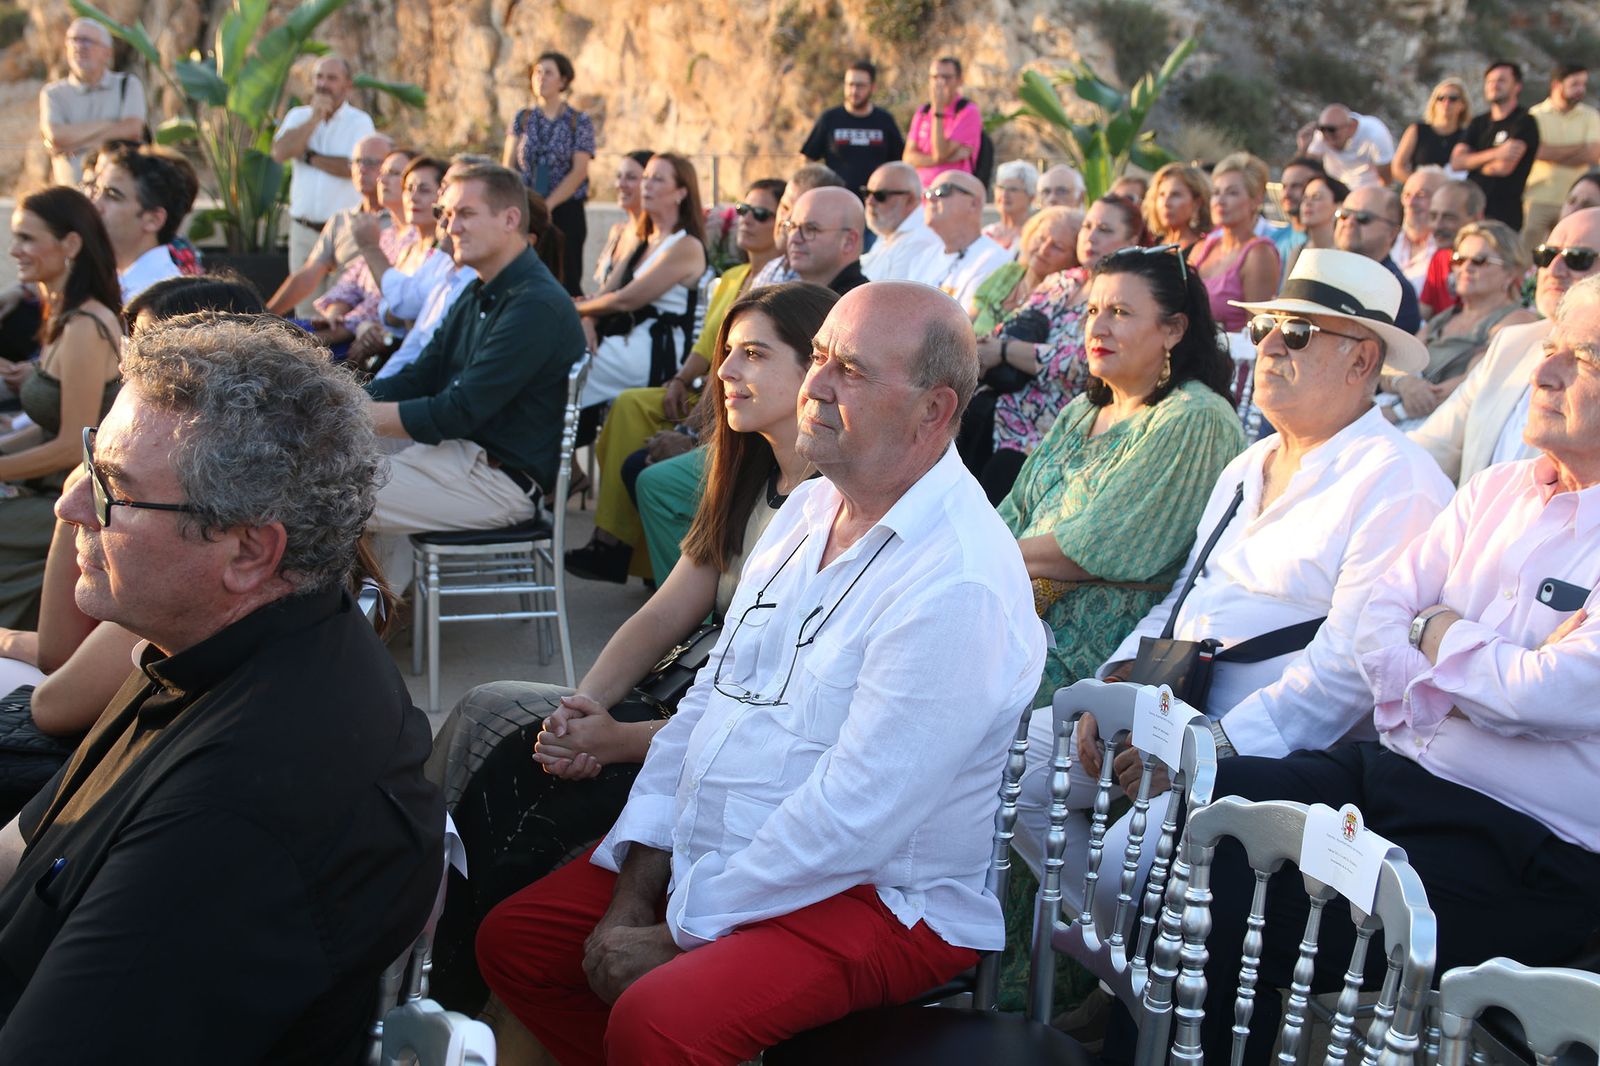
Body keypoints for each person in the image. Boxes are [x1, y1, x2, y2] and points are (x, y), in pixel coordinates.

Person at [475, 281, 1045, 1065]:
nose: (814, 387)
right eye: (818, 359)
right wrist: (638, 887)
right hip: (740, 851)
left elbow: (856, 820)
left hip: (880, 899)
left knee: (659, 1020)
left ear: (935, 411)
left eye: (851, 371)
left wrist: (681, 928)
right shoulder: (809, 513)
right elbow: (709, 713)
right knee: (515, 944)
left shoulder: (959, 583)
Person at [1184, 272, 1600, 1066]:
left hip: (1523, 843)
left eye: (1585, 359)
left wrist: (1437, 633)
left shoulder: (1411, 479)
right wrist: (1467, 654)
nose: (1545, 373)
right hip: (1390, 774)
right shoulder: (1495, 490)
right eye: (1550, 348)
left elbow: (1545, 695)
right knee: (1207, 815)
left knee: (1264, 908)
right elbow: (1381, 629)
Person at [0, 314, 441, 1062]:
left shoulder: (237, 815)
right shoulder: (203, 648)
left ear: (246, 551)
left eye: (112, 490)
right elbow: (25, 849)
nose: (70, 508)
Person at [423, 283, 838, 1035]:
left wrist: (610, 738)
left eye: (754, 355)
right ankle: (439, 992)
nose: (727, 373)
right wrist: (579, 710)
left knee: (523, 793)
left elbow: (783, 713)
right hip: (677, 708)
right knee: (501, 724)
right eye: (726, 355)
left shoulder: (836, 502)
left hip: (722, 748)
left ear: (817, 367)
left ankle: (467, 1010)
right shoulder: (746, 473)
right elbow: (659, 615)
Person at [1015, 249, 1453, 915]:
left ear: (1363, 361)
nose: (1271, 345)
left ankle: (1127, 960)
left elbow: (1347, 671)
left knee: (1115, 874)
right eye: (1266, 327)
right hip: (1170, 701)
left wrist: (1205, 748)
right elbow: (1182, 593)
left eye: (1298, 333)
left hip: (1268, 748)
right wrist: (1115, 684)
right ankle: (1114, 955)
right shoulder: (1251, 462)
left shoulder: (1399, 481)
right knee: (1007, 771)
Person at [0, 275, 267, 820]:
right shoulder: (264, 505)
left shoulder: (179, 550)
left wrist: (94, 482)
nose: (129, 374)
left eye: (149, 357)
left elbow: (55, 693)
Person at [999, 244, 1246, 706]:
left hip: (1087, 649)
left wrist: (978, 557)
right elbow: (1015, 511)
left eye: (1120, 312)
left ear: (1172, 330)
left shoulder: (1194, 418)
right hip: (1015, 610)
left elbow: (1091, 548)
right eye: (1093, 309)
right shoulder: (1083, 409)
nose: (1098, 326)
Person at [364, 164, 585, 589]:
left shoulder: (534, 305)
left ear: (510, 219)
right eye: (447, 215)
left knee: (327, 489)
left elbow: (456, 413)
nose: (450, 227)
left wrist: (351, 413)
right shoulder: (480, 289)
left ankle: (351, 633)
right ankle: (373, 622)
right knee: (328, 459)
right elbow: (420, 376)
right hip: (462, 459)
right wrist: (343, 399)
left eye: (465, 214)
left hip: (501, 482)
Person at [566, 178, 785, 585]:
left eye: (761, 213)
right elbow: (707, 345)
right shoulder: (734, 275)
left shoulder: (780, 287)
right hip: (705, 385)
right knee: (630, 404)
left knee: (641, 452)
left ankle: (645, 563)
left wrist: (691, 425)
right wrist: (680, 380)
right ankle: (612, 541)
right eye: (742, 210)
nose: (747, 220)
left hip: (727, 392)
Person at [0, 188, 122, 630]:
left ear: (70, 244)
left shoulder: (86, 328)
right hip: (51, 490)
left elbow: (73, 444)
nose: (15, 250)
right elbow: (46, 424)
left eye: (27, 239)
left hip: (75, 503)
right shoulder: (66, 317)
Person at [961, 198, 1139, 502]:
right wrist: (991, 346)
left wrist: (1005, 351)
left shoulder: (1123, 294)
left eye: (1105, 230)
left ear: (1131, 241)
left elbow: (1080, 363)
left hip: (1048, 432)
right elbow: (1008, 329)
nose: (1091, 237)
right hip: (997, 412)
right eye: (1087, 226)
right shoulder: (1061, 281)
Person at [1411, 207, 1600, 483]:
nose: (1553, 270)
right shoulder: (1513, 343)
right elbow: (1434, 444)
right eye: (1546, 255)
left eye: (1578, 259)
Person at [576, 153, 708, 408]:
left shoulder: (686, 245)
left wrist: (572, 308)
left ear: (681, 192)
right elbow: (607, 292)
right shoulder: (644, 239)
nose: (646, 185)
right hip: (623, 339)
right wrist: (589, 319)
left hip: (654, 351)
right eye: (645, 177)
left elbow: (626, 300)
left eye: (657, 179)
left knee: (564, 364)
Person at [1383, 220, 1534, 428]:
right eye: (1459, 259)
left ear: (1510, 273)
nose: (1465, 268)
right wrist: (1405, 383)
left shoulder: (1516, 320)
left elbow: (1475, 383)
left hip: (1444, 428)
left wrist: (1398, 410)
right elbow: (1391, 365)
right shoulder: (1445, 317)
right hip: (1403, 417)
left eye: (1479, 261)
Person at [270, 57, 376, 311]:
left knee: (340, 311)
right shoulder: (299, 116)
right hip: (304, 232)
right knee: (305, 313)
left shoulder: (360, 122)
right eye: (319, 77)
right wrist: (314, 119)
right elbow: (280, 152)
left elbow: (351, 169)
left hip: (344, 233)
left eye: (331, 78)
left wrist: (308, 155)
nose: (323, 84)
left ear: (347, 86)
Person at [266, 132, 394, 316]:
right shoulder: (342, 220)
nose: (361, 169)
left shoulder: (403, 222)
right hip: (336, 317)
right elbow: (308, 275)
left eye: (371, 162)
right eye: (356, 162)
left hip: (377, 322)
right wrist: (264, 314)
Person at [341, 153, 447, 369]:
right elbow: (388, 307)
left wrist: (370, 247)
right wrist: (368, 329)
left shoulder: (443, 253)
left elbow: (410, 309)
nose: (413, 197)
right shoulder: (408, 249)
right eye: (408, 189)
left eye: (424, 190)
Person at [503, 51, 595, 296]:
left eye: (548, 72)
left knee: (567, 277)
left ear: (563, 81)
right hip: (526, 208)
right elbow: (509, 165)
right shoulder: (522, 119)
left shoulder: (579, 121)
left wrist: (549, 205)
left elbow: (579, 171)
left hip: (565, 210)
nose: (541, 78)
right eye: (537, 72)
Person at [310, 146, 416, 352]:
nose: (382, 180)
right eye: (383, 173)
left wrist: (340, 327)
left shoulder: (416, 240)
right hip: (342, 329)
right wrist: (334, 314)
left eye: (394, 174)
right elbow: (349, 285)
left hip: (369, 342)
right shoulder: (387, 236)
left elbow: (385, 303)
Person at [84, 143, 201, 302]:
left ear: (153, 220)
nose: (95, 205)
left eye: (112, 195)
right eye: (96, 191)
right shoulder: (115, 282)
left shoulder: (162, 298)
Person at [39, 18, 147, 187]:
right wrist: (110, 125)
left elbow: (132, 130)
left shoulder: (128, 85)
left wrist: (80, 145)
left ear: (107, 52)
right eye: (74, 39)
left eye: (87, 40)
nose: (79, 46)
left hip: (119, 193)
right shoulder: (53, 93)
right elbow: (56, 136)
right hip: (72, 193)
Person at [1190, 152, 1280, 333]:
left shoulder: (1259, 254)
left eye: (1232, 193)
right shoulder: (1202, 249)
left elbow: (1257, 331)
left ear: (1256, 200)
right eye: (1216, 193)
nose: (1220, 201)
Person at [1451, 60, 1542, 231]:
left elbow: (1503, 168)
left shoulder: (1524, 122)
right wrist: (1497, 152)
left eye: (1501, 80)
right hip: (1469, 212)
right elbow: (1456, 162)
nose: (1494, 85)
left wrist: (1472, 163)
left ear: (1517, 86)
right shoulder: (1478, 123)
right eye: (1490, 81)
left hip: (1503, 216)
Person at [800, 60, 905, 197]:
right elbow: (807, 158)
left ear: (873, 87)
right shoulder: (830, 118)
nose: (854, 91)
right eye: (850, 85)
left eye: (860, 86)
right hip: (837, 200)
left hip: (875, 202)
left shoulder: (884, 120)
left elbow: (900, 161)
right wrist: (814, 191)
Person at [1524, 64, 1600, 250]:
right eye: (1575, 84)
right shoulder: (1535, 115)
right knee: (1529, 252)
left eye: (1583, 84)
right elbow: (1535, 151)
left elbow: (1592, 154)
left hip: (1578, 200)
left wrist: (1551, 152)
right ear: (1557, 85)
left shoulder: (1590, 116)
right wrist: (1580, 149)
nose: (1581, 89)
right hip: (1538, 197)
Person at [1331, 183, 1423, 334]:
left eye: (1363, 218)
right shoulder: (1321, 267)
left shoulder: (1396, 290)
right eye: (1344, 214)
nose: (1349, 222)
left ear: (1392, 233)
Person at [924, 170, 1014, 315]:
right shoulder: (924, 256)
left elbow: (967, 327)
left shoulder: (997, 261)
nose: (931, 198)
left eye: (943, 190)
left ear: (974, 203)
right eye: (928, 193)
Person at [748, 164, 848, 289]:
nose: (787, 220)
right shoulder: (771, 269)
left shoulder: (821, 283)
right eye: (785, 207)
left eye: (800, 213)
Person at [859, 161, 944, 283]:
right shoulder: (890, 228)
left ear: (909, 199)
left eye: (880, 196)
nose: (870, 202)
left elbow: (893, 297)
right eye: (866, 193)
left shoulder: (920, 240)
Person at [903, 55, 982, 186]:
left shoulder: (967, 111)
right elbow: (908, 158)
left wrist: (938, 110)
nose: (940, 83)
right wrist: (943, 159)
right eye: (935, 77)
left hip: (952, 190)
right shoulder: (923, 111)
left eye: (946, 77)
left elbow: (940, 152)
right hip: (922, 191)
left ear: (959, 80)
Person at [1417, 178, 1488, 317]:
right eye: (1433, 216)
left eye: (1449, 217)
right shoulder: (1439, 257)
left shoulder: (1492, 263)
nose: (1437, 226)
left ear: (1477, 218)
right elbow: (1423, 313)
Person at [779, 186, 869, 293]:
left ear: (849, 241)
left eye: (811, 229)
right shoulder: (796, 297)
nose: (794, 239)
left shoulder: (862, 305)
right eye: (792, 227)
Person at [1392, 77, 1472, 183]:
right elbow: (1397, 167)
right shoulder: (1416, 130)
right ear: (1434, 103)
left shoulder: (1468, 134)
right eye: (1441, 98)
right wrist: (1419, 185)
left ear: (1463, 105)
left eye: (1453, 99)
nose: (1446, 102)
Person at [1298, 104, 1396, 189]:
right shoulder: (1323, 133)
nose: (1327, 135)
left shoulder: (1375, 135)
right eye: (1323, 129)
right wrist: (1302, 149)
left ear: (1350, 127)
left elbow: (1386, 177)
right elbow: (1310, 162)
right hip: (1335, 187)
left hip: (1367, 188)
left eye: (1332, 131)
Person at [595, 150, 654, 290]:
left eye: (631, 177)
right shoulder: (617, 231)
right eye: (618, 176)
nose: (620, 184)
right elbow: (603, 290)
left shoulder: (655, 238)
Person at [1392, 166, 1449, 293]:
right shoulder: (1387, 240)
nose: (1410, 203)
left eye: (1421, 195)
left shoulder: (1449, 251)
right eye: (1407, 195)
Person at [1284, 172, 1347, 278]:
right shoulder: (1298, 251)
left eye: (1316, 197)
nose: (1307, 203)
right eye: (1304, 198)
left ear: (1338, 206)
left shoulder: (1347, 254)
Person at [1266, 157, 1321, 268]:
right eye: (1284, 186)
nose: (1287, 193)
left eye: (1296, 186)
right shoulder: (1272, 241)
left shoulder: (1329, 244)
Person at [1143, 162, 1211, 252]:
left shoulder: (1203, 251)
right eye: (1161, 195)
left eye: (1175, 195)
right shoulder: (1151, 243)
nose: (1166, 203)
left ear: (1197, 203)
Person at [984, 160, 1039, 249]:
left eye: (1013, 189)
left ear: (1031, 197)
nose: (1004, 194)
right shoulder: (985, 234)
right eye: (1001, 187)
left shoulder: (1035, 236)